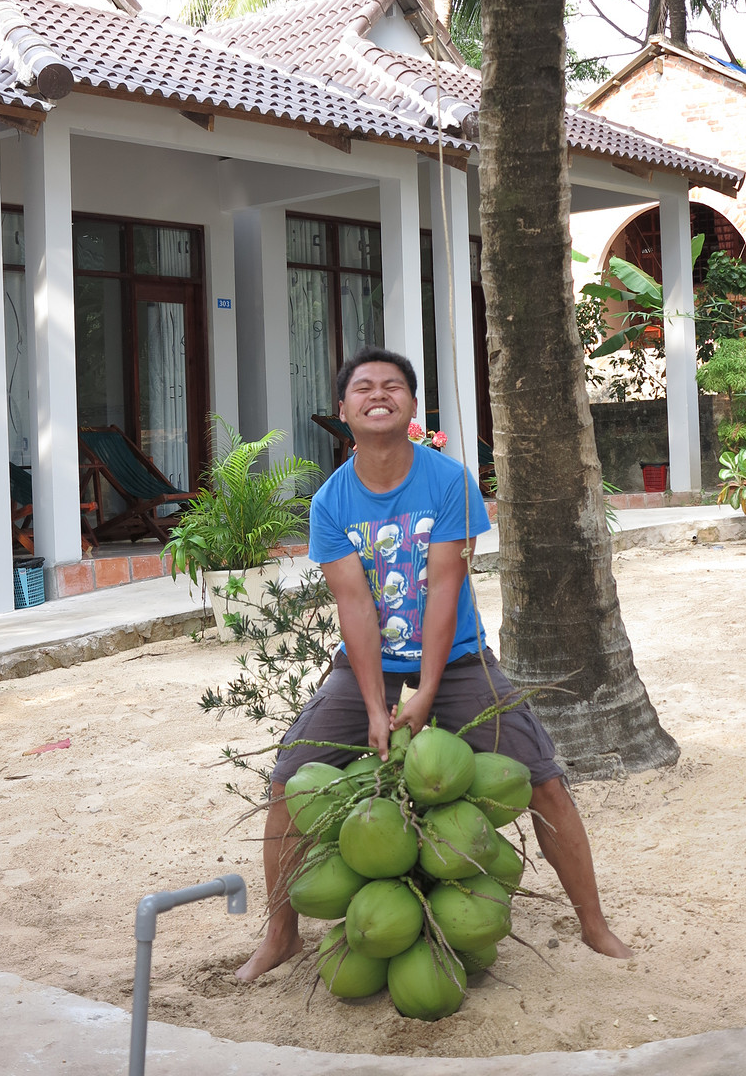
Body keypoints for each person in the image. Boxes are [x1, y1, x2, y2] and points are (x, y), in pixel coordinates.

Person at [235, 347, 630, 981]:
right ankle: (281, 934)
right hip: (366, 664)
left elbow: (446, 590)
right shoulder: (332, 503)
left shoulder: (448, 482)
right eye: (363, 388)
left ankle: (594, 924)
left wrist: (427, 692)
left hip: (459, 659)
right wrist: (373, 704)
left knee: (544, 781)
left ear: (413, 407)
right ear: (344, 411)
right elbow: (356, 608)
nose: (378, 394)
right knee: (288, 779)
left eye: (394, 385)